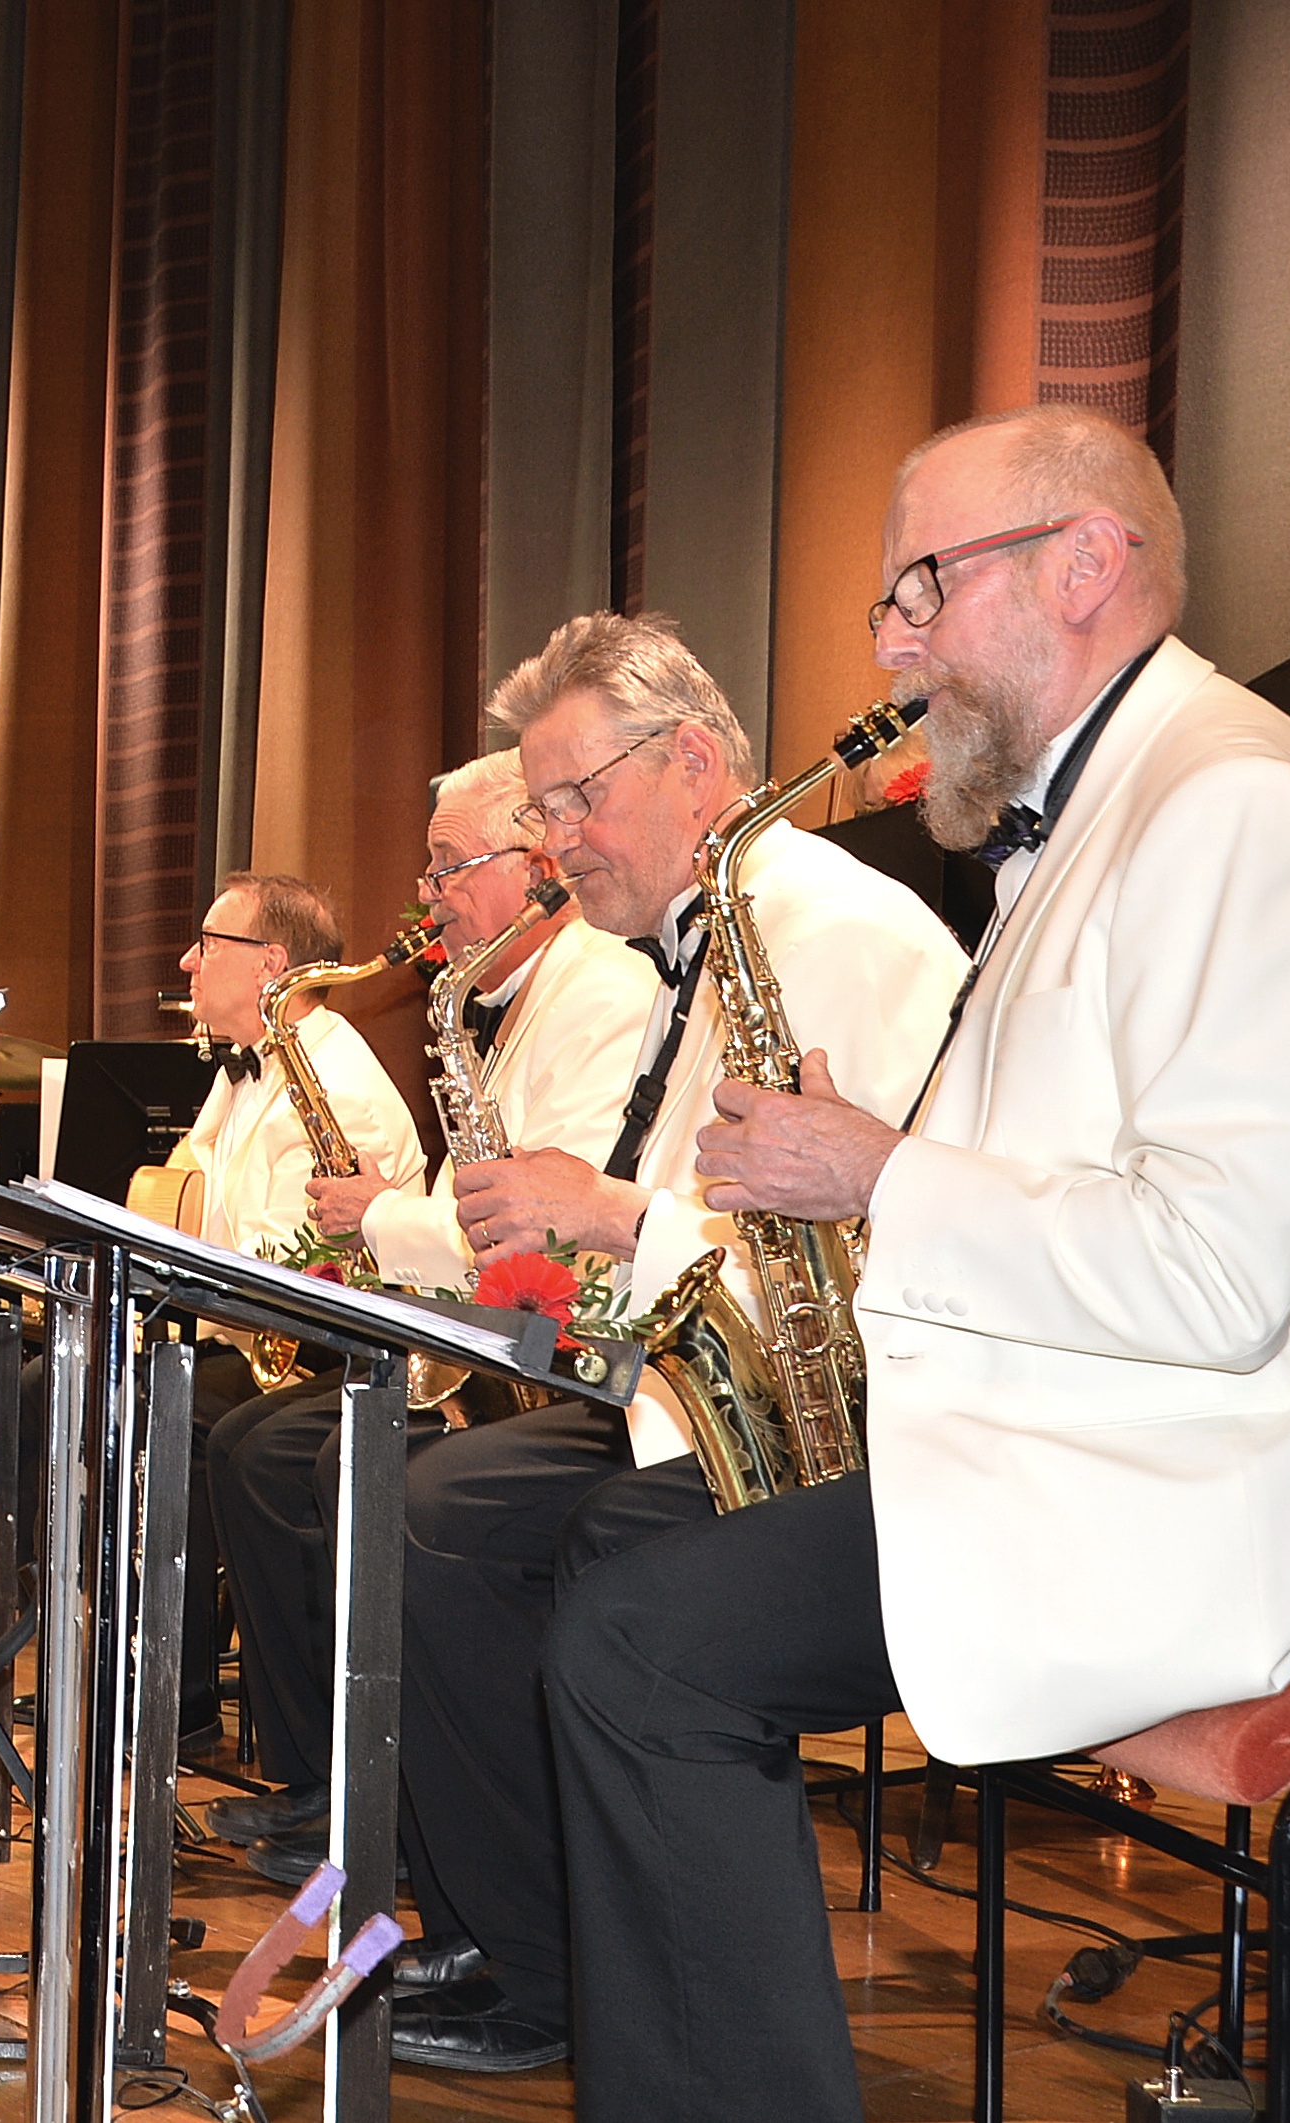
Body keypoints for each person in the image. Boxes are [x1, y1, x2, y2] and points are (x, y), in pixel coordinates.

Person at [543, 403, 1290, 2120]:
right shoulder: (1118, 802)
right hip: (1087, 1441)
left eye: (923, 587)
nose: (892, 642)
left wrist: (879, 1169)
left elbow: (1218, 1274)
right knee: (615, 1556)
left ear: (1087, 563)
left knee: (641, 1645)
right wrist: (866, 1162)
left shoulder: (1241, 804)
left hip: (1197, 1486)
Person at [387, 612, 970, 2073]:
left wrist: (599, 1214)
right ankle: (534, 1945)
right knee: (430, 1507)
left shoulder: (829, 934)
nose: (559, 840)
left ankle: (573, 1968)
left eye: (578, 796)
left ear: (696, 764)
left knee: (542, 1540)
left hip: (847, 1417)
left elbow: (840, 1262)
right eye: (543, 808)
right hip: (700, 1393)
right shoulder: (694, 941)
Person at [200, 750, 654, 1889]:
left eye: (448, 866)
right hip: (478, 1336)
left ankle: (403, 1809)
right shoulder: (504, 999)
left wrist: (381, 1218)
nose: (426, 893)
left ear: (535, 866)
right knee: (260, 1447)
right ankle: (329, 1779)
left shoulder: (602, 990)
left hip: (562, 1354)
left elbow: (546, 1229)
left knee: (304, 1457)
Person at [51, 874, 426, 1751]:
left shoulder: (336, 1086)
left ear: (271, 963)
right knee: (50, 1382)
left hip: (314, 1347)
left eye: (207, 943)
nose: (187, 960)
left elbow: (293, 1264)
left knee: (162, 1408)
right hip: (232, 1326)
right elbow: (177, 1198)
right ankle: (91, 1665)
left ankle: (171, 1706)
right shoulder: (244, 1070)